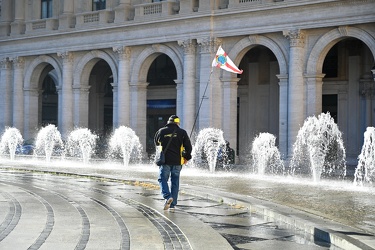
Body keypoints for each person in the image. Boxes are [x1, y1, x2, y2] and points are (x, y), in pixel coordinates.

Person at [154, 115, 192, 211]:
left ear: (168, 122)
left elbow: (157, 145)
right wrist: (187, 157)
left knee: (162, 179)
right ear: (177, 123)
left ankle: (167, 196)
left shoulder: (161, 131)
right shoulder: (182, 132)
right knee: (175, 182)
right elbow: (189, 147)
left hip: (165, 161)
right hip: (178, 162)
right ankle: (173, 204)